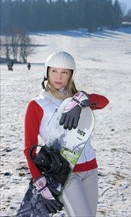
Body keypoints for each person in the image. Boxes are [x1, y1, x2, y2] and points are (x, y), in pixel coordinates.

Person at [17, 51, 109, 217]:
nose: (58, 77)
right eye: (54, 71)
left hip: (91, 170)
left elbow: (103, 102)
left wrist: (82, 98)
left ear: (71, 75)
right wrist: (41, 184)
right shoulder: (37, 105)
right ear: (47, 72)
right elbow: (29, 149)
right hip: (66, 175)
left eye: (64, 72)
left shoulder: (77, 100)